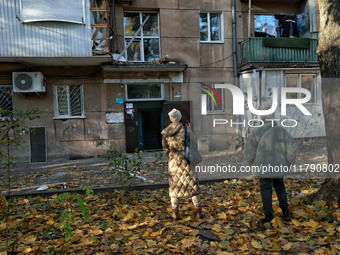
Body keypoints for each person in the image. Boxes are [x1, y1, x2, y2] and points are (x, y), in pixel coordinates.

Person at [244, 109, 298, 224]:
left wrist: (252, 165)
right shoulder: (281, 131)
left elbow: (249, 153)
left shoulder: (256, 132)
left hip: (263, 167)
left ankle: (268, 216)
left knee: (266, 189)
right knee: (279, 185)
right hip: (279, 166)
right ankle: (285, 212)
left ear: (262, 116)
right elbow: (292, 148)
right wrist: (289, 162)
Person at [161, 108, 204, 220]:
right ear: (180, 117)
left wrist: (172, 157)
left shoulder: (166, 132)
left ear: (171, 119)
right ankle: (198, 212)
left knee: (175, 189)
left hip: (173, 163)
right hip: (188, 161)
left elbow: (165, 149)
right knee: (193, 187)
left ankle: (175, 213)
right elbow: (194, 144)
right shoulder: (186, 129)